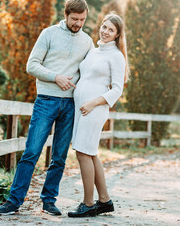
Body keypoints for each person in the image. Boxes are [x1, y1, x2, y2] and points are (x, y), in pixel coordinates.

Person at [0, 0, 94, 216]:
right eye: (75, 18)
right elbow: (31, 65)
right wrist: (55, 77)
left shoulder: (87, 41)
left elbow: (91, 71)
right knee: (31, 152)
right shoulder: (49, 34)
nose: (78, 23)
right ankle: (14, 201)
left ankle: (49, 200)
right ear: (66, 15)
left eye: (82, 20)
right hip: (46, 101)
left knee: (59, 157)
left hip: (71, 104)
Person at [67, 13, 129, 218]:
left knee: (83, 152)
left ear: (117, 35)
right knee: (90, 153)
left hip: (94, 110)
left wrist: (93, 102)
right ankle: (104, 201)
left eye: (111, 30)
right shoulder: (93, 51)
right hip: (81, 109)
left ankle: (88, 203)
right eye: (104, 27)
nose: (105, 31)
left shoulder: (116, 56)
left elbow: (117, 89)